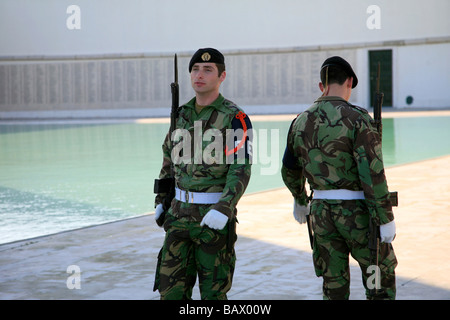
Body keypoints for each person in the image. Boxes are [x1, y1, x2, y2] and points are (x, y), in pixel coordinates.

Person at [281, 56, 397, 300]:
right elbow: (372, 173)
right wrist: (385, 217)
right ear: (349, 81)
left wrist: (300, 199)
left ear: (321, 85)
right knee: (378, 281)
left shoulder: (300, 121)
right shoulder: (357, 119)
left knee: (333, 287)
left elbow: (289, 169)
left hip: (322, 216)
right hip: (359, 217)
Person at [153, 48, 252, 300]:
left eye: (208, 70)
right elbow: (169, 160)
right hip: (177, 217)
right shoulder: (181, 115)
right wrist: (161, 201)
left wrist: (225, 207)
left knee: (213, 296)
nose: (199, 74)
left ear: (222, 76)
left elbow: (240, 169)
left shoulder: (235, 118)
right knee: (170, 293)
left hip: (213, 220)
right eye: (195, 69)